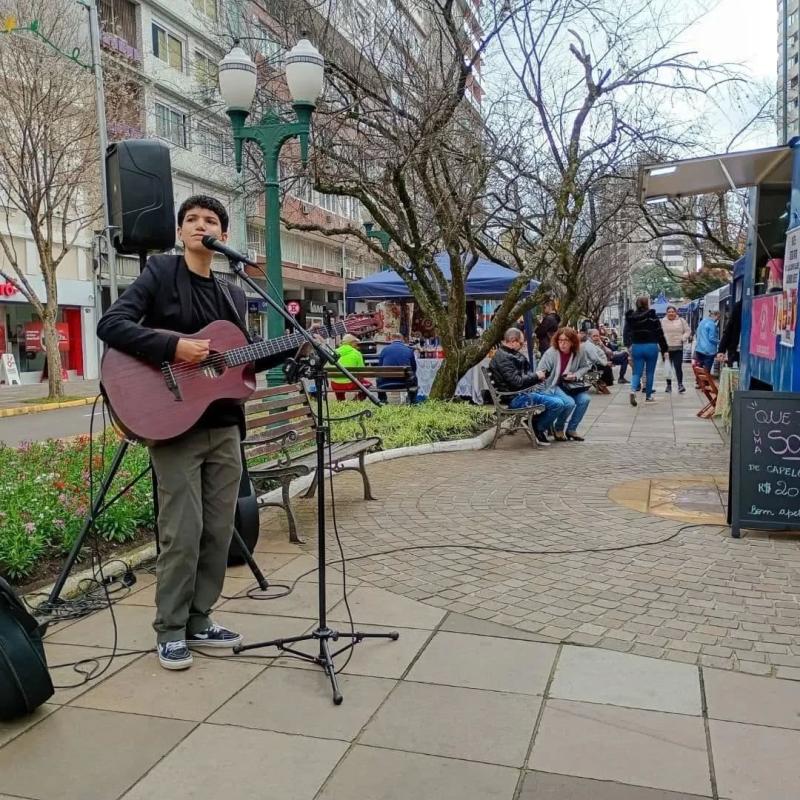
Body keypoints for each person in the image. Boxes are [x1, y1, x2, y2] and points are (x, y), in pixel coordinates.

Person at [96, 195, 289, 671]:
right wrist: (174, 345)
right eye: (192, 219)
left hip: (223, 427)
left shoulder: (233, 293)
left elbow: (234, 361)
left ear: (223, 235)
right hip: (173, 425)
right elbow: (111, 324)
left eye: (210, 220)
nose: (201, 225)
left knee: (219, 532)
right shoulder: (161, 274)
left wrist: (290, 349)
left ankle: (200, 619)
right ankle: (170, 627)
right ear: (181, 231)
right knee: (182, 532)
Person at [489, 327, 567, 445]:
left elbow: (520, 378)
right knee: (558, 404)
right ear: (513, 341)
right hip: (516, 398)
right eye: (521, 343)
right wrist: (536, 376)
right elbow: (516, 382)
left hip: (522, 393)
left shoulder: (508, 355)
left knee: (562, 402)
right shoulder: (504, 358)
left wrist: (538, 377)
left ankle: (537, 425)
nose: (522, 346)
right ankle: (537, 427)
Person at [536, 327, 592, 441]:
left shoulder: (579, 352)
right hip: (553, 385)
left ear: (573, 342)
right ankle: (559, 428)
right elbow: (540, 372)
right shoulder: (551, 353)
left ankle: (571, 429)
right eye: (560, 340)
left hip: (570, 386)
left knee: (585, 399)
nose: (562, 344)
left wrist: (575, 375)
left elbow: (586, 366)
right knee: (569, 403)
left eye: (566, 340)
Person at [623, 296, 668, 406]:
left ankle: (633, 390)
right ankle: (648, 396)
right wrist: (664, 349)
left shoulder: (631, 317)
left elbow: (627, 332)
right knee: (650, 372)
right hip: (651, 346)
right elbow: (659, 333)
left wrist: (628, 344)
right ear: (647, 303)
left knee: (637, 372)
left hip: (637, 346)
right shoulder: (652, 317)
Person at [377, 332, 418, 403]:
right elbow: (413, 368)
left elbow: (380, 367)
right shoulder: (408, 350)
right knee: (414, 378)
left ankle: (383, 400)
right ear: (402, 340)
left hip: (385, 383)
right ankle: (412, 400)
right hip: (405, 383)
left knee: (378, 378)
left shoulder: (384, 350)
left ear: (392, 339)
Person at [660, 305, 690, 393]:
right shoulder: (662, 321)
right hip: (666, 349)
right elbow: (659, 334)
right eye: (669, 312)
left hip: (678, 348)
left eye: (672, 312)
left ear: (676, 312)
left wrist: (683, 337)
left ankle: (680, 385)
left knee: (678, 367)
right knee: (668, 368)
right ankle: (668, 386)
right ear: (666, 313)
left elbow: (688, 331)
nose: (671, 313)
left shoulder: (681, 321)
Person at [330, 333, 368, 401]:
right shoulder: (356, 353)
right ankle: (359, 399)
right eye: (355, 343)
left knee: (338, 379)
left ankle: (340, 400)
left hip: (335, 385)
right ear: (351, 343)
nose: (357, 345)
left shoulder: (334, 352)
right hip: (349, 385)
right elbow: (362, 371)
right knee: (367, 383)